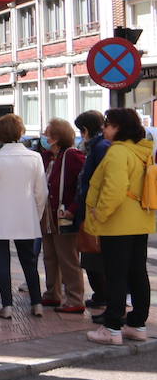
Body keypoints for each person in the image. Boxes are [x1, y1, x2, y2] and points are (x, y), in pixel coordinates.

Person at [82, 108, 154, 345]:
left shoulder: (117, 153)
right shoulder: (143, 152)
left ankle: (112, 327)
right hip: (139, 220)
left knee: (115, 275)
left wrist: (99, 213)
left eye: (108, 124)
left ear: (119, 128)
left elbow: (113, 189)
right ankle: (137, 324)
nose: (104, 128)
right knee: (137, 273)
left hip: (117, 222)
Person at [0, 113, 47, 320]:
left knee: (2, 261)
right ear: (21, 132)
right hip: (26, 216)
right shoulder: (35, 157)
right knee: (29, 262)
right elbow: (41, 192)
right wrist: (37, 213)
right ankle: (37, 303)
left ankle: (7, 305)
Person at [39, 118, 86, 314]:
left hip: (64, 212)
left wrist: (73, 208)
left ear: (56, 137)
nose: (44, 136)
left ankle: (74, 298)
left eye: (47, 133)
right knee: (50, 255)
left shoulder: (72, 155)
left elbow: (81, 185)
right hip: (49, 213)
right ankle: (52, 293)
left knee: (67, 256)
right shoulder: (50, 156)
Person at [72, 110, 110, 315]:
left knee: (94, 255)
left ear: (85, 130)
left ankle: (103, 296)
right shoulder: (97, 146)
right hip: (90, 207)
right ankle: (101, 295)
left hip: (94, 210)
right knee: (91, 256)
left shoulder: (100, 147)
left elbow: (99, 180)